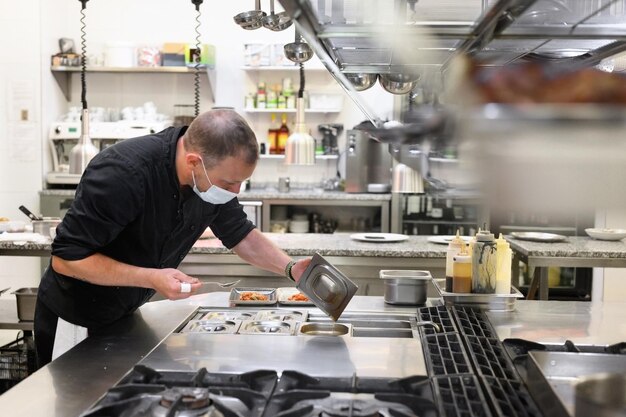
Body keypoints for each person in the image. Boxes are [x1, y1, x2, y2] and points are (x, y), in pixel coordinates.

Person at [34, 109, 311, 367]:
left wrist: (291, 268)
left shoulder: (208, 178)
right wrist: (151, 278)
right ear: (194, 162)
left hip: (124, 313)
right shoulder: (123, 173)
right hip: (75, 318)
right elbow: (66, 259)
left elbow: (241, 234)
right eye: (229, 183)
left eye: (241, 182)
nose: (235, 190)